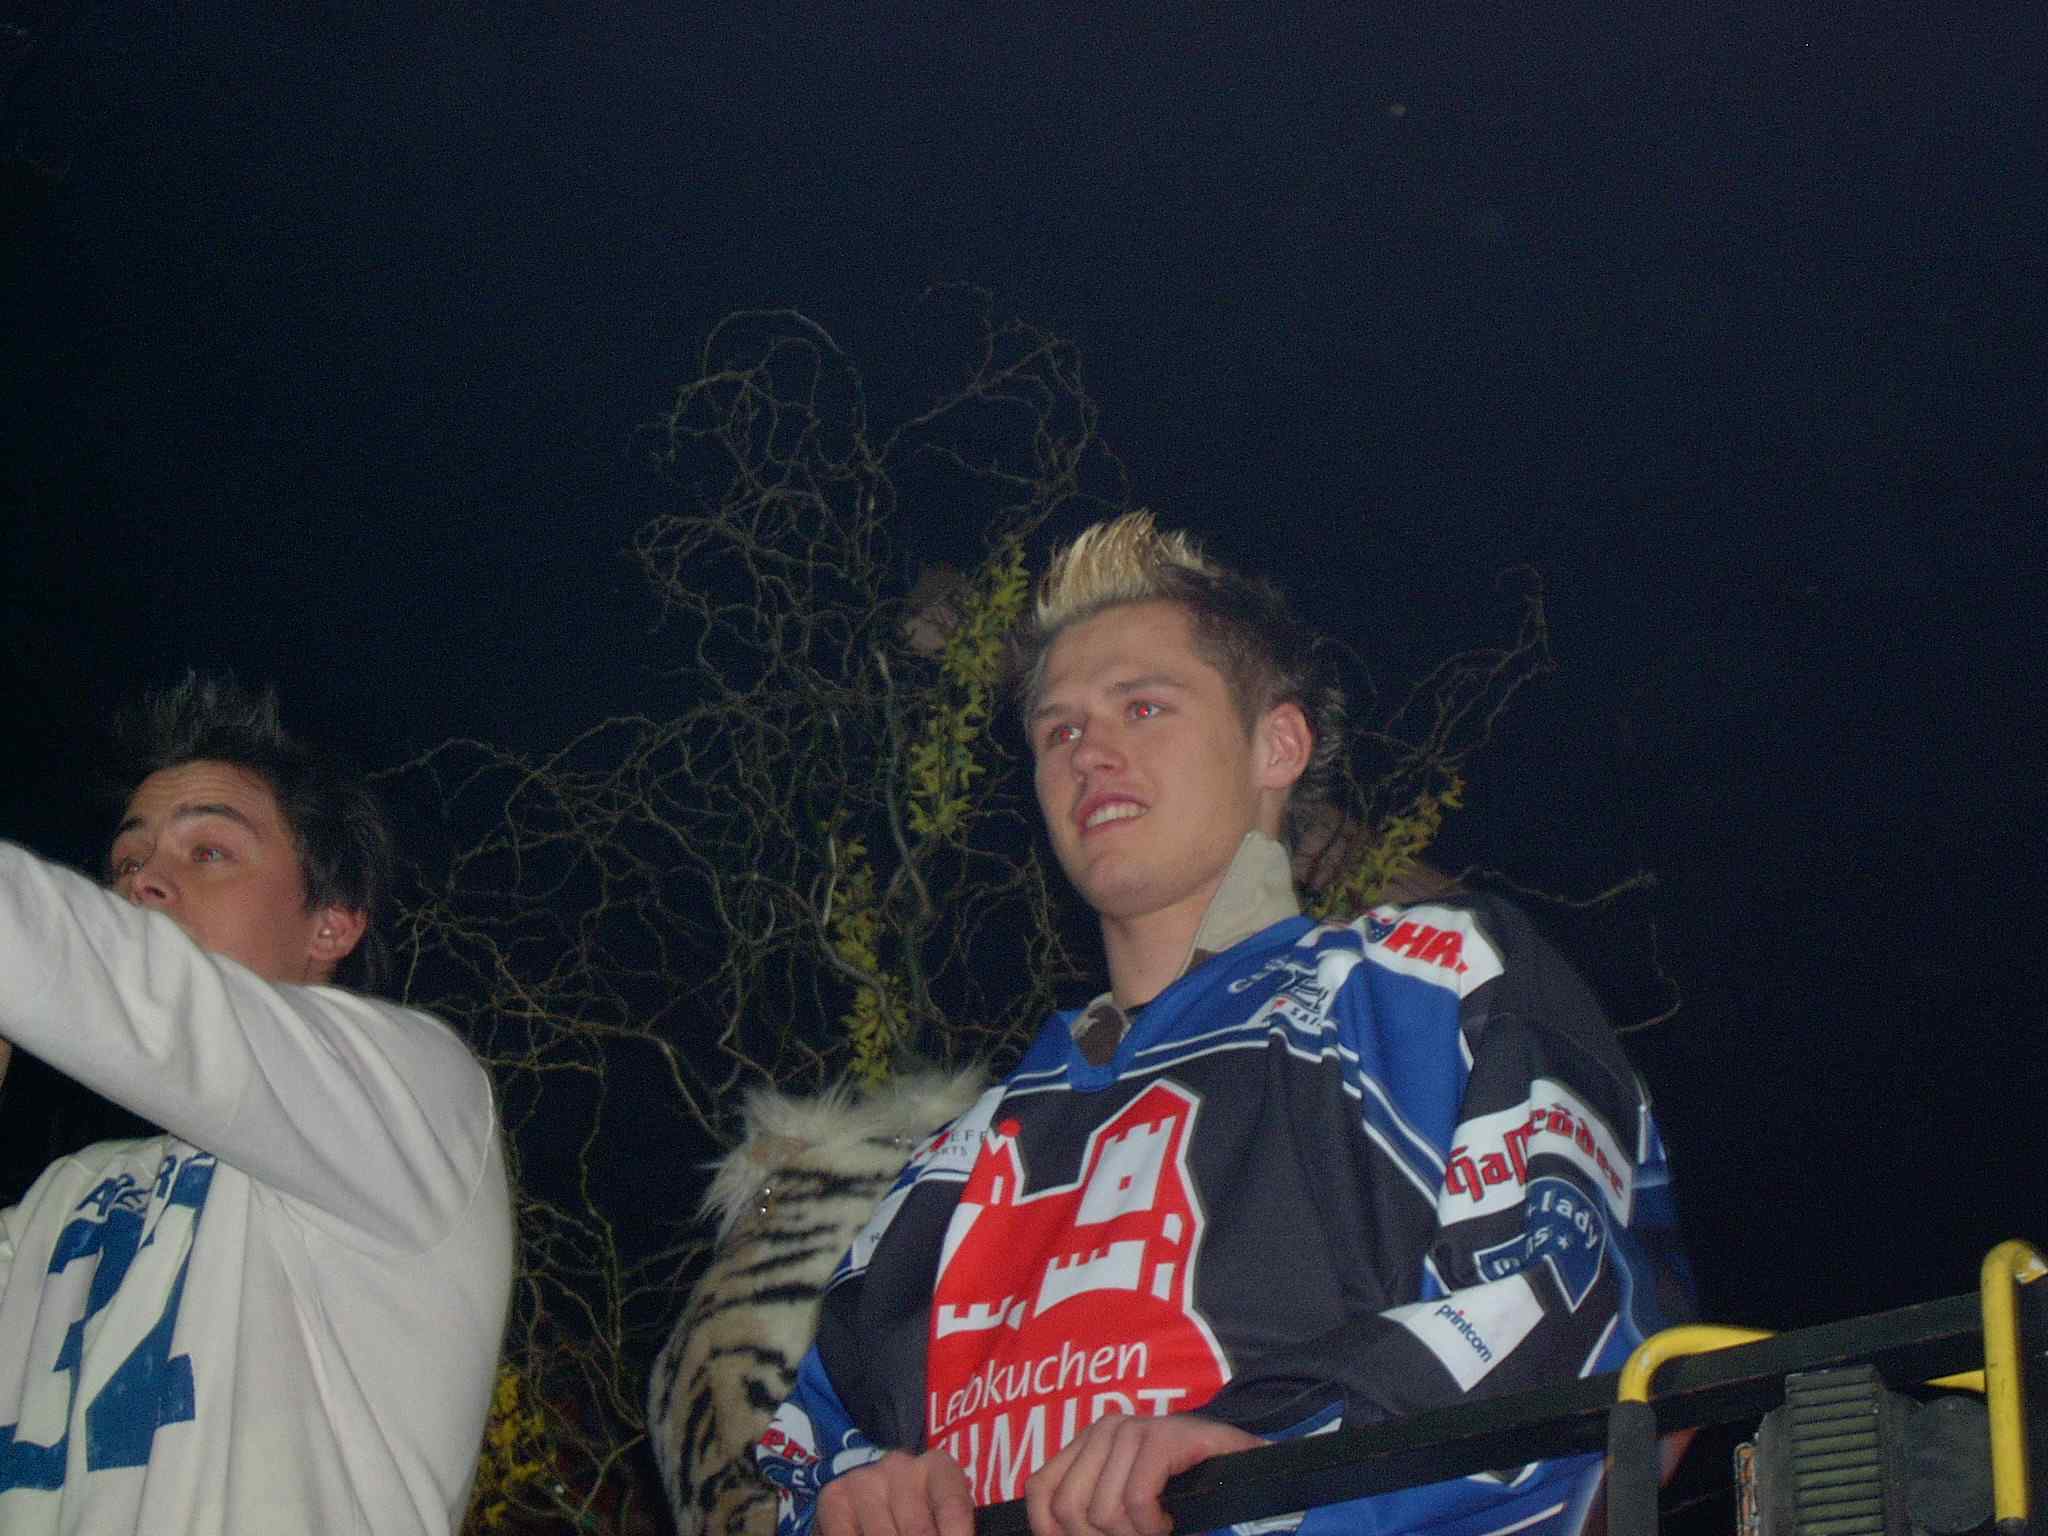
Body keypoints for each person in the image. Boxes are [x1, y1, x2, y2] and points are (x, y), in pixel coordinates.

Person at [756, 513, 1696, 1536]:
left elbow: (1581, 1318)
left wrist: (1270, 1467)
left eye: (1142, 706)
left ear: (1276, 744)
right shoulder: (953, 1161)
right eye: (1058, 731)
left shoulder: (1425, 990)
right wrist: (862, 1493)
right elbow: (799, 1458)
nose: (1089, 753)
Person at [0, 675, 513, 1535]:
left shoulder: (415, 1103)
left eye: (208, 852)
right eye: (125, 863)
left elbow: (137, 988)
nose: (142, 882)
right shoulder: (64, 1197)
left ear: (332, 923)